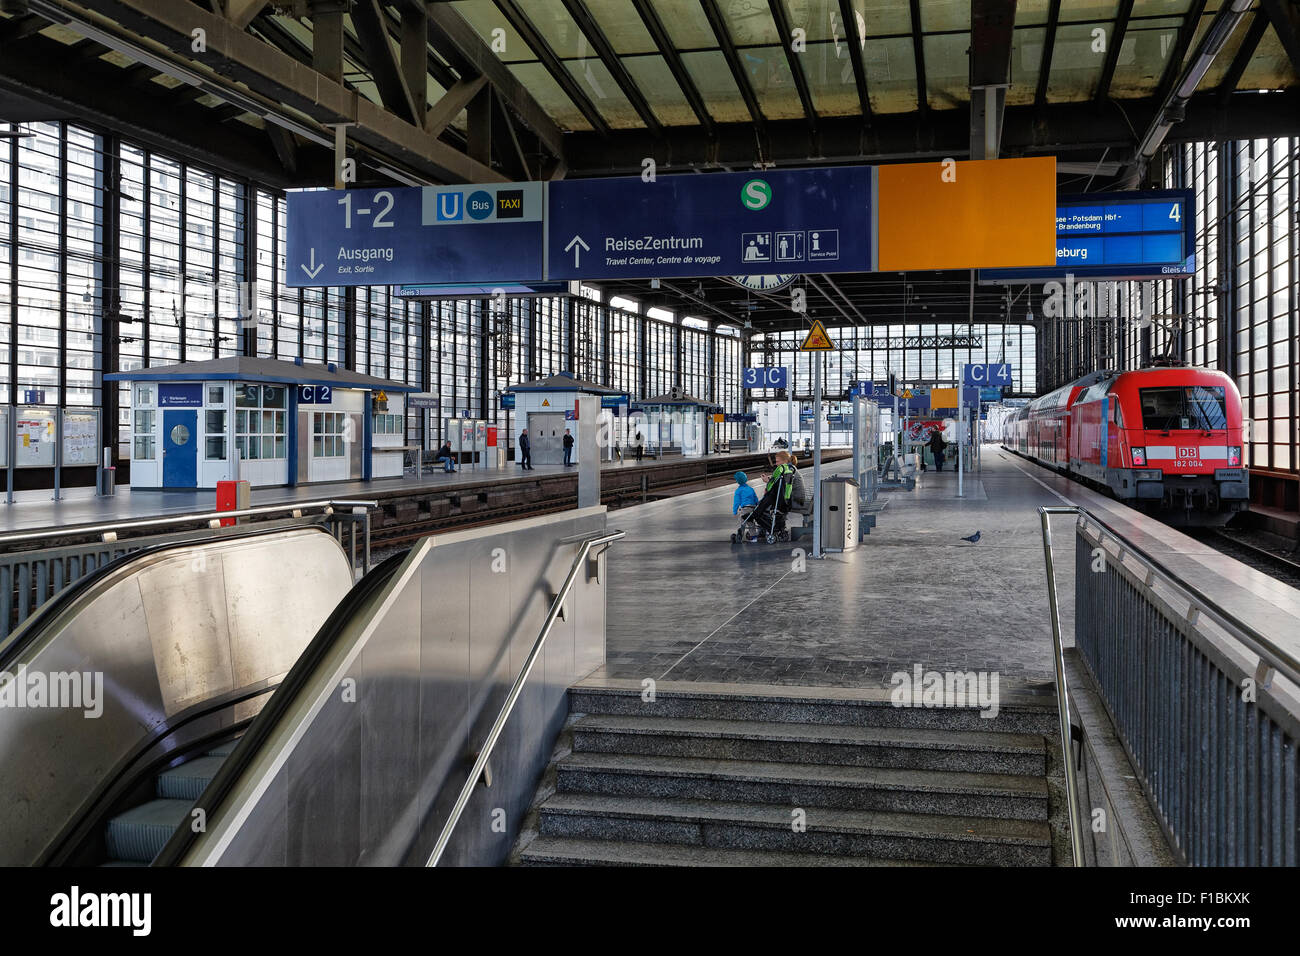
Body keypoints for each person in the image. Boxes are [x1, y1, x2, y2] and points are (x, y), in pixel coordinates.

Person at [746, 451, 797, 540]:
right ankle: (778, 530)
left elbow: (771, 485)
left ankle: (771, 530)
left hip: (775, 498)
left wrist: (766, 481)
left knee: (758, 513)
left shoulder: (780, 468)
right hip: (784, 500)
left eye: (777, 461)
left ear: (784, 461)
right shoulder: (790, 470)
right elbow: (779, 483)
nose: (776, 463)